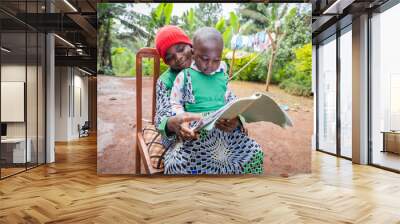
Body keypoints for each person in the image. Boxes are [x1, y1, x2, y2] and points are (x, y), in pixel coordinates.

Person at [166, 27, 264, 175]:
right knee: (182, 164)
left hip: (224, 132)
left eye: (216, 60)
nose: (210, 65)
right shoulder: (185, 76)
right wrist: (182, 118)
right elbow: (175, 102)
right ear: (193, 53)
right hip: (197, 133)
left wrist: (236, 118)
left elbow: (231, 101)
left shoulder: (222, 76)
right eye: (204, 59)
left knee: (254, 152)